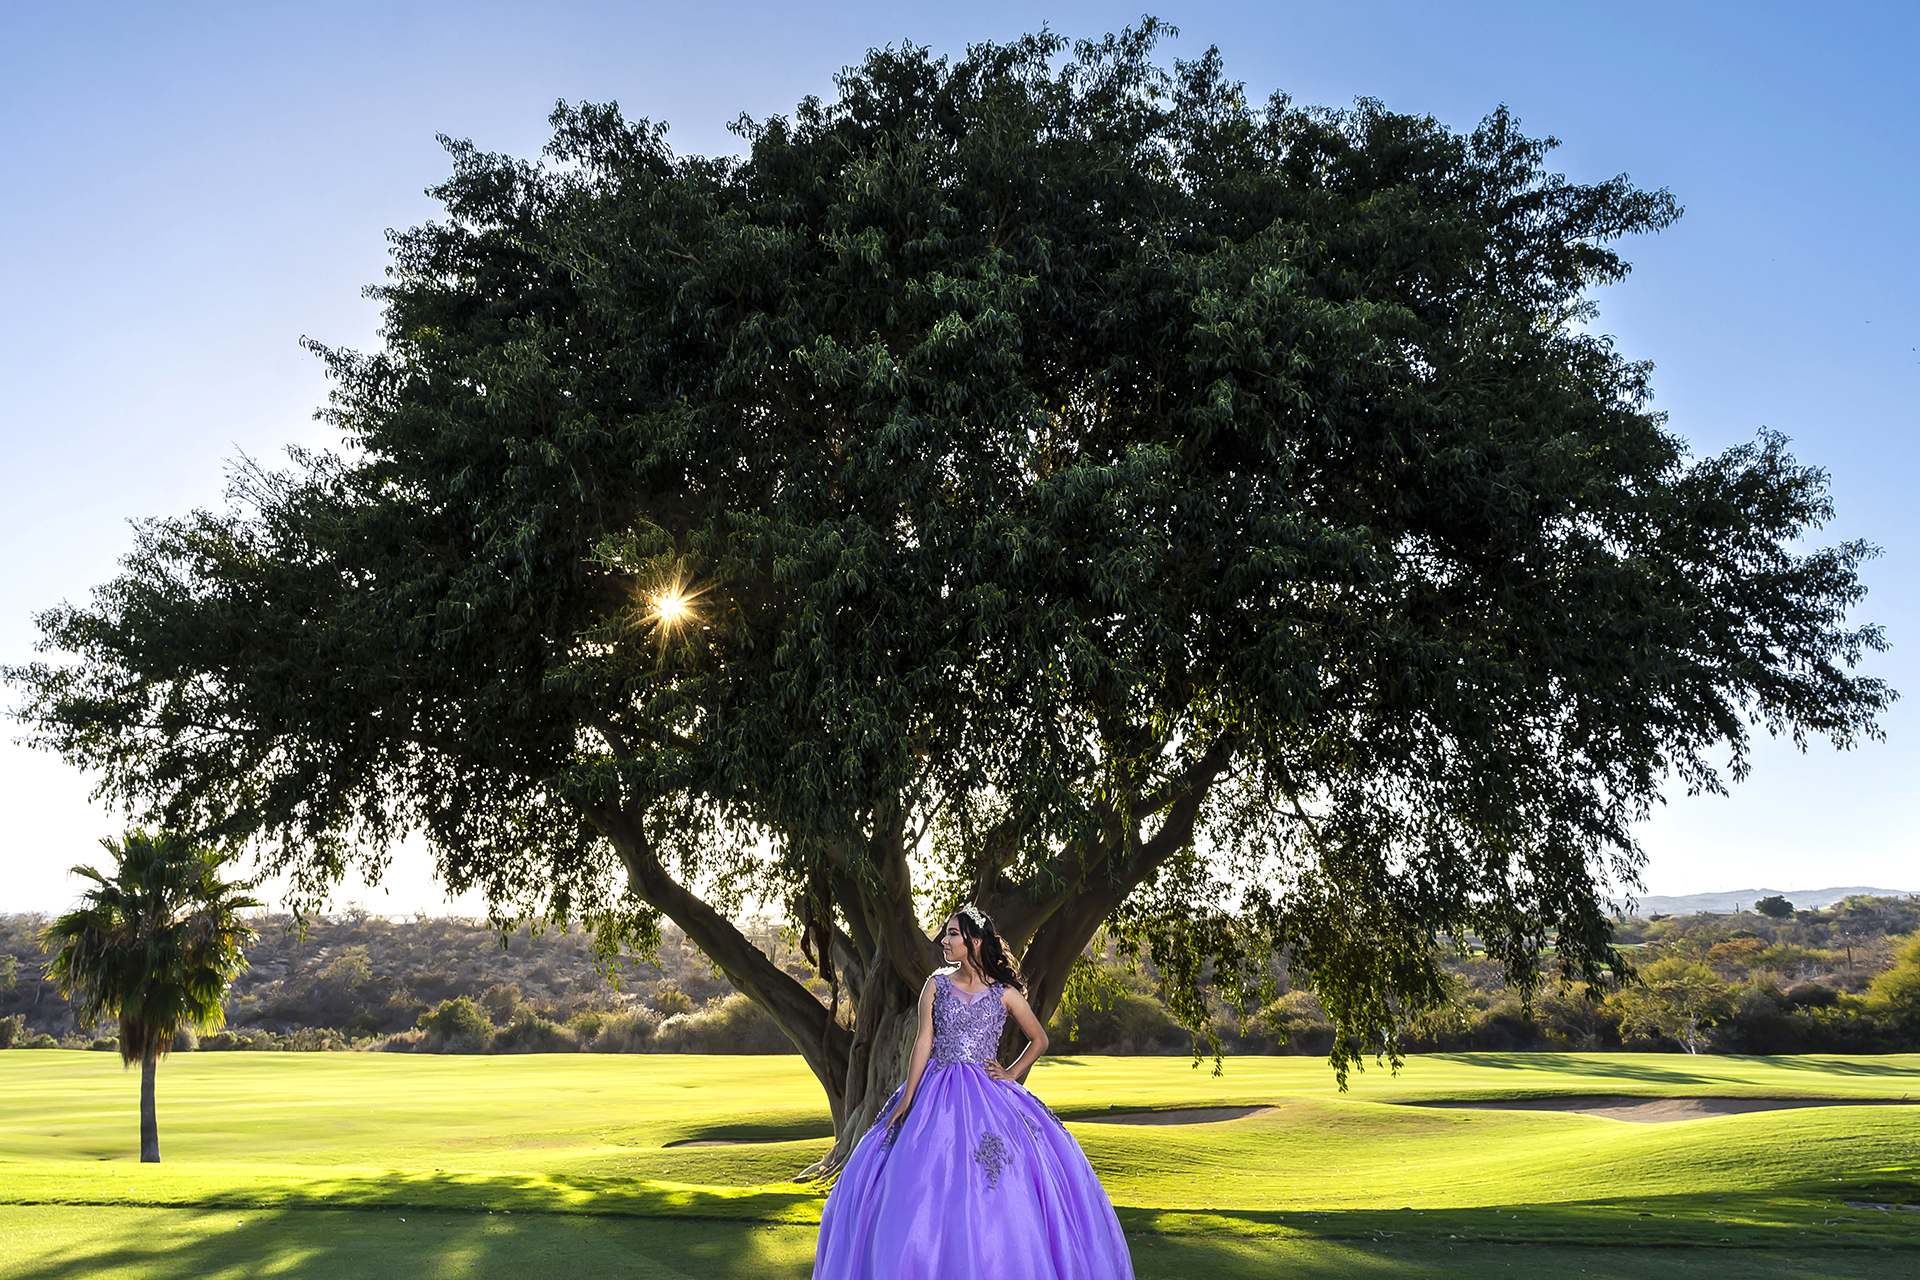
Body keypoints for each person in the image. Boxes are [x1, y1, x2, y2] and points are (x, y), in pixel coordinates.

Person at [811, 905, 1136, 1278]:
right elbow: (923, 1043)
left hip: (988, 1091)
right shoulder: (936, 985)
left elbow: (1039, 1039)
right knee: (918, 1178)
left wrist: (1011, 1074)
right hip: (936, 1087)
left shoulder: (1005, 993)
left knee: (998, 1184)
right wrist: (907, 1097)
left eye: (953, 934)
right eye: (945, 933)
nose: (944, 940)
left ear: (975, 942)